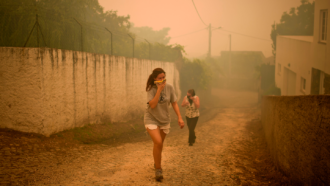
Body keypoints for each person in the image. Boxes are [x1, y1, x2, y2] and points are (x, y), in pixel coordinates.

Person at [144, 68, 185, 181]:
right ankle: (158, 169)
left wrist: (180, 118)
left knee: (159, 145)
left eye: (164, 78)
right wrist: (158, 90)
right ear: (155, 79)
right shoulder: (151, 89)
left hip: (164, 120)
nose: (162, 80)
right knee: (158, 142)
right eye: (160, 78)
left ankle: (156, 162)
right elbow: (152, 105)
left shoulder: (170, 87)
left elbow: (174, 103)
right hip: (151, 118)